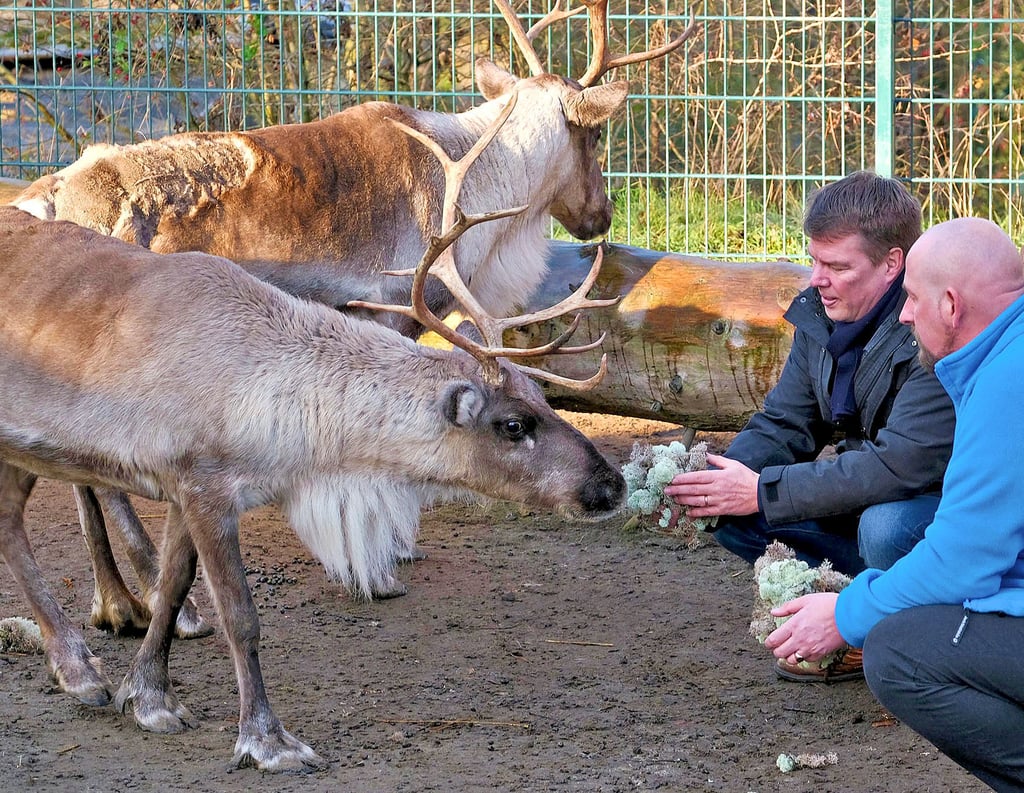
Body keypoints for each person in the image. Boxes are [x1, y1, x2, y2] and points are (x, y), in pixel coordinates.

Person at [763, 217, 1024, 791]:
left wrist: (847, 614)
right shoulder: (1004, 351)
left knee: (899, 650)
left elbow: (964, 560)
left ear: (951, 305)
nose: (904, 315)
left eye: (910, 299)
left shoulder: (1008, 379)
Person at [665, 171, 956, 682]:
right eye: (815, 260)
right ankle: (838, 610)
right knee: (728, 514)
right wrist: (713, 477)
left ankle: (881, 633)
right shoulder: (825, 313)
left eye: (836, 266)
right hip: (868, 492)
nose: (816, 278)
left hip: (933, 508)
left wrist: (760, 490)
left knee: (883, 527)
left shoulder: (935, 328)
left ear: (893, 265)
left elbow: (899, 466)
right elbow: (784, 423)